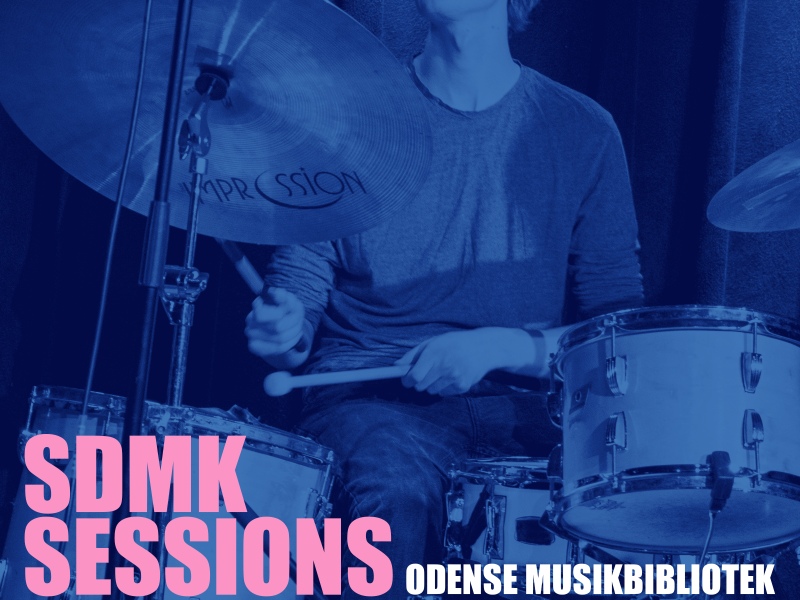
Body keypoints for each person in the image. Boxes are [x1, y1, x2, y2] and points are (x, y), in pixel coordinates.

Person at [245, 0, 644, 597]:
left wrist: (501, 347)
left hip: (530, 407)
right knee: (396, 494)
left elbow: (618, 332)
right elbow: (294, 322)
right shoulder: (349, 123)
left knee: (629, 506)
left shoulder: (584, 129)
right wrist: (281, 332)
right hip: (372, 401)